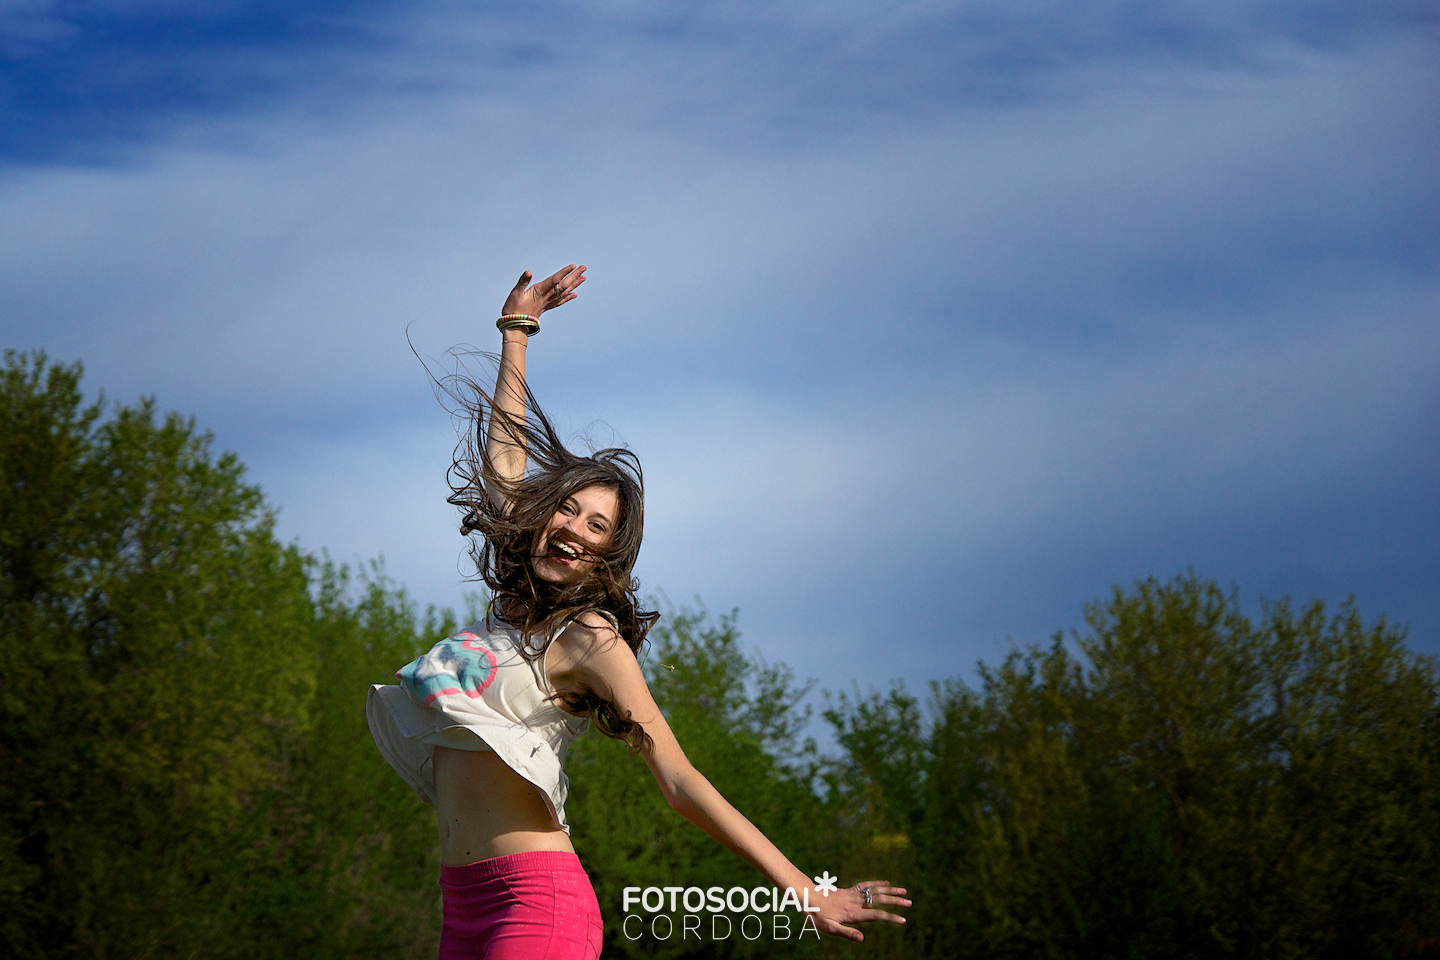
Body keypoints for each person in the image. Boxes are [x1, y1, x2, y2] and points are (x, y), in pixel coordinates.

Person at [367, 265, 910, 959]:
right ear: (541, 518)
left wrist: (803, 888)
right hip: (463, 911)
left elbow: (679, 779)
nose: (574, 527)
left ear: (606, 557)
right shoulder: (505, 611)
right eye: (567, 508)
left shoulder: (589, 639)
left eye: (598, 527)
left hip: (536, 906)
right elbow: (504, 458)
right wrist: (516, 332)